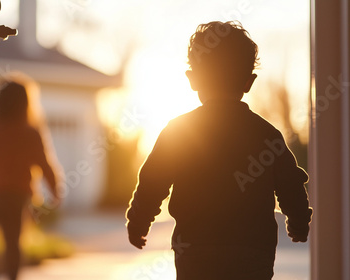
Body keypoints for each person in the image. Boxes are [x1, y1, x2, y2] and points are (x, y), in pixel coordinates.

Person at [125, 21, 312, 280]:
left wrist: (138, 221)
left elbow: (152, 181)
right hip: (253, 252)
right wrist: (299, 222)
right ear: (249, 81)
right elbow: (291, 184)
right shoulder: (267, 134)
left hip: (195, 249)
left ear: (193, 79)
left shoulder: (179, 131)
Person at [0, 74, 62, 280]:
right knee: (13, 243)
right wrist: (56, 189)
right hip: (16, 195)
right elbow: (44, 162)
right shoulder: (30, 132)